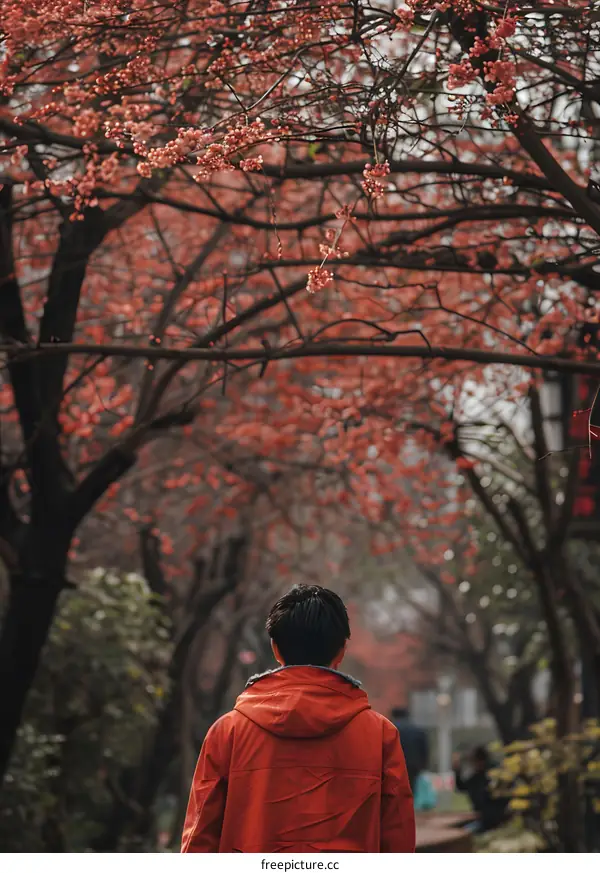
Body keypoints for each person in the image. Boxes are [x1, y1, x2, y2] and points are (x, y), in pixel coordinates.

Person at [181, 585, 416, 853]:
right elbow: (398, 838)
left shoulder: (227, 732)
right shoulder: (380, 735)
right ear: (341, 651)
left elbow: (200, 836)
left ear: (276, 649)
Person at [452, 746, 508, 834]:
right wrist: (456, 770)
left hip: (492, 821)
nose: (472, 765)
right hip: (481, 818)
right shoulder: (477, 776)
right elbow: (462, 787)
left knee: (463, 833)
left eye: (473, 761)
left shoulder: (494, 774)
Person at [391, 706, 429, 794]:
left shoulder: (390, 728)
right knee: (410, 789)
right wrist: (423, 765)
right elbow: (423, 749)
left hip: (394, 764)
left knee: (394, 790)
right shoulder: (417, 730)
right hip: (413, 765)